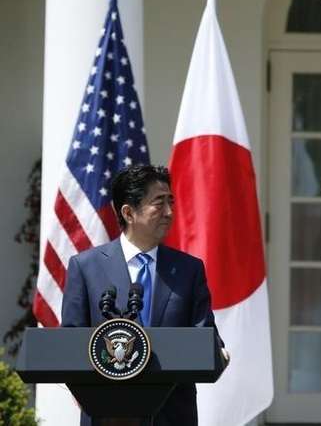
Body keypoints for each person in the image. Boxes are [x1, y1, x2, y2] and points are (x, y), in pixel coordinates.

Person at [62, 165, 224, 426]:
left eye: (171, 202)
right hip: (107, 415)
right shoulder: (85, 267)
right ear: (128, 212)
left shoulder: (189, 270)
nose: (169, 212)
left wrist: (218, 352)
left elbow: (205, 338)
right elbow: (70, 344)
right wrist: (87, 392)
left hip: (174, 416)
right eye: (159, 204)